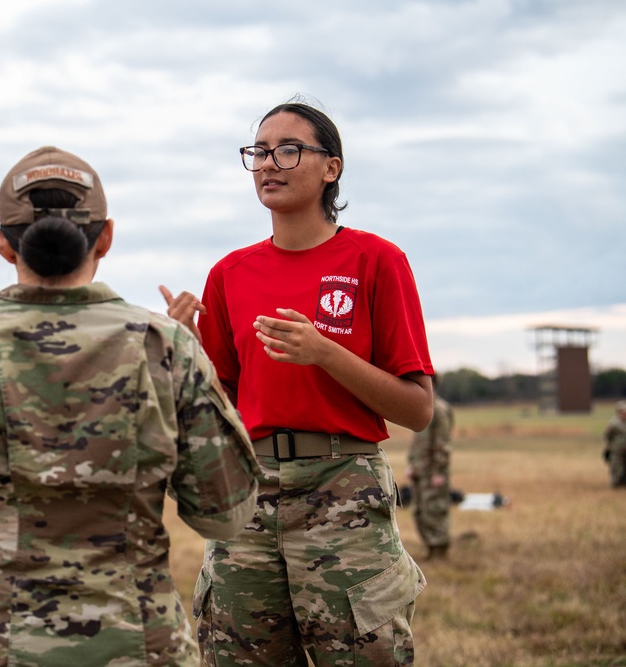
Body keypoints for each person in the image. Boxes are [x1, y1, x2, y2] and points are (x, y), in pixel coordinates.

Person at [0, 146, 261, 666]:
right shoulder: (167, 347)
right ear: (106, 236)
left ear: (3, 244)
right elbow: (225, 513)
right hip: (138, 646)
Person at [161, 99, 435, 666]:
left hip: (344, 490)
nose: (269, 163)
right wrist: (181, 352)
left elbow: (417, 409)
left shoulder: (376, 260)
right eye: (259, 151)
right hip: (249, 496)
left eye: (289, 149)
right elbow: (219, 409)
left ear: (331, 167)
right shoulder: (230, 274)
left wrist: (324, 353)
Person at [406, 383, 455, 559]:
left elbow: (442, 444)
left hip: (432, 471)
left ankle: (439, 550)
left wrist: (439, 472)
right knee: (421, 511)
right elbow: (418, 443)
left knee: (435, 509)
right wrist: (412, 464)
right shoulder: (423, 408)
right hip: (421, 470)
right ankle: (431, 547)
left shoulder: (439, 410)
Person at [602, 400, 626, 487]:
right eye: (623, 412)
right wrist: (610, 446)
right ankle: (616, 483)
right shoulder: (613, 423)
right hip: (617, 449)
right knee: (617, 467)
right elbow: (607, 435)